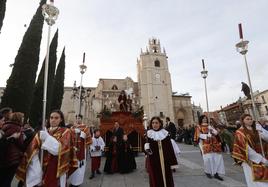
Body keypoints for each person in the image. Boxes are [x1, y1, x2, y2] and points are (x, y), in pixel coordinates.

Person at [16, 110, 77, 187]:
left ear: (61, 119)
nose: (53, 120)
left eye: (56, 118)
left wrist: (47, 138)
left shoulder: (66, 131)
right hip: (41, 166)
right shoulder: (44, 132)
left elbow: (59, 149)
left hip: (56, 166)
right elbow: (32, 150)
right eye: (51, 118)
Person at [232, 114, 268, 187]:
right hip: (251, 160)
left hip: (263, 155)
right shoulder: (240, 132)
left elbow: (267, 138)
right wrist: (261, 159)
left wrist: (261, 130)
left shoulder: (256, 129)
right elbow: (247, 148)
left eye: (251, 119)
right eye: (247, 119)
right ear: (243, 121)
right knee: (257, 182)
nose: (250, 120)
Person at [144, 116, 177, 187]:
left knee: (167, 179)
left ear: (160, 124)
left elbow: (170, 149)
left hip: (165, 161)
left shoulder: (165, 134)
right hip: (154, 161)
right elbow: (148, 152)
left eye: (156, 123)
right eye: (153, 123)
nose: (154, 125)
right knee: (155, 179)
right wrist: (147, 147)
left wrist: (173, 162)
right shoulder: (149, 134)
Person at [194, 115, 225, 180]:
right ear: (201, 119)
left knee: (216, 158)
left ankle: (216, 173)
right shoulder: (198, 126)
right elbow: (198, 135)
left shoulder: (210, 126)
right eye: (203, 118)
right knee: (207, 159)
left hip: (214, 144)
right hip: (205, 144)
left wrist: (214, 131)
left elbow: (216, 133)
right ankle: (208, 172)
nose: (205, 119)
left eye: (205, 118)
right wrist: (206, 136)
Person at [0, 112, 24, 187]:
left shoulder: (5, 126)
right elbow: (20, 144)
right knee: (7, 180)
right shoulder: (18, 128)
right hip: (12, 158)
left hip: (3, 156)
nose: (23, 119)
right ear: (19, 118)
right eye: (22, 117)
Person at [69, 114, 92, 187]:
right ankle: (72, 182)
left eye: (79, 118)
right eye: (76, 118)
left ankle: (77, 182)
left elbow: (88, 137)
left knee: (80, 166)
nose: (77, 119)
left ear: (81, 119)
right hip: (73, 149)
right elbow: (68, 135)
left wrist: (80, 132)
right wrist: (73, 131)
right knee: (73, 165)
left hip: (81, 149)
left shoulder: (85, 127)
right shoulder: (72, 127)